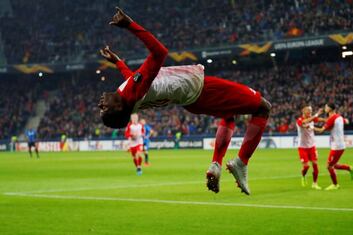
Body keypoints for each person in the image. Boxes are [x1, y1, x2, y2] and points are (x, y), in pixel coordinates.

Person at [98, 7, 271, 195]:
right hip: (202, 89)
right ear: (117, 107)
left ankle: (215, 164)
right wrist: (130, 25)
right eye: (104, 109)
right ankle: (241, 162)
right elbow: (160, 52)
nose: (100, 104)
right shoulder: (131, 93)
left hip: (191, 101)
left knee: (229, 115)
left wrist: (118, 62)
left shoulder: (127, 96)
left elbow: (132, 79)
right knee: (263, 107)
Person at [315, 103, 353, 190]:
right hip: (339, 145)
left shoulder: (332, 118)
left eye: (326, 107)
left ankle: (335, 184)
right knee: (333, 164)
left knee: (329, 166)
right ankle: (350, 168)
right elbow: (346, 121)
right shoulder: (339, 117)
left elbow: (321, 131)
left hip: (337, 146)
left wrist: (311, 128)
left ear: (330, 109)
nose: (325, 108)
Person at [296, 105, 325, 190]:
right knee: (306, 167)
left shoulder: (312, 119)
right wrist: (316, 114)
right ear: (303, 111)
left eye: (311, 110)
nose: (310, 112)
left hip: (312, 146)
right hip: (302, 147)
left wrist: (328, 120)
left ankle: (315, 183)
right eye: (308, 110)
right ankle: (303, 176)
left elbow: (320, 120)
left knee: (315, 164)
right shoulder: (299, 120)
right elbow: (304, 123)